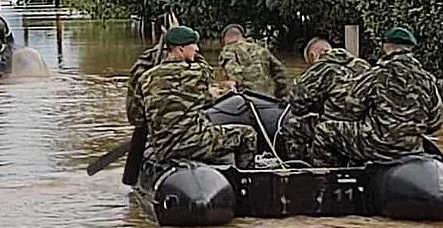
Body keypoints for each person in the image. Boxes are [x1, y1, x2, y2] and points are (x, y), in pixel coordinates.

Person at [310, 27, 443, 166]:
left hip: (377, 146)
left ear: (385, 46)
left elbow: (350, 109)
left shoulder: (376, 75)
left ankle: (327, 182)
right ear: (411, 48)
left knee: (323, 131)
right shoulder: (427, 79)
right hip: (412, 148)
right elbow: (435, 122)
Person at [138, 26, 256, 166]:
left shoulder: (145, 78)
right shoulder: (198, 72)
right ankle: (245, 178)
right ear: (181, 48)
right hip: (193, 143)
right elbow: (206, 69)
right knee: (248, 134)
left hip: (163, 150)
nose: (197, 49)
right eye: (193, 44)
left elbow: (136, 117)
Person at [280, 38, 370, 161]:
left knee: (292, 126)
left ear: (313, 56)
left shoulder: (321, 67)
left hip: (334, 127)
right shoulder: (363, 65)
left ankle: (299, 166)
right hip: (363, 128)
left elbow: (297, 104)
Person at [218, 24, 289, 99]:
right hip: (268, 96)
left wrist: (233, 82)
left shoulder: (228, 50)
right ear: (242, 36)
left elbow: (232, 69)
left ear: (225, 39)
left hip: (247, 97)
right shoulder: (260, 49)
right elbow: (281, 71)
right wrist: (282, 95)